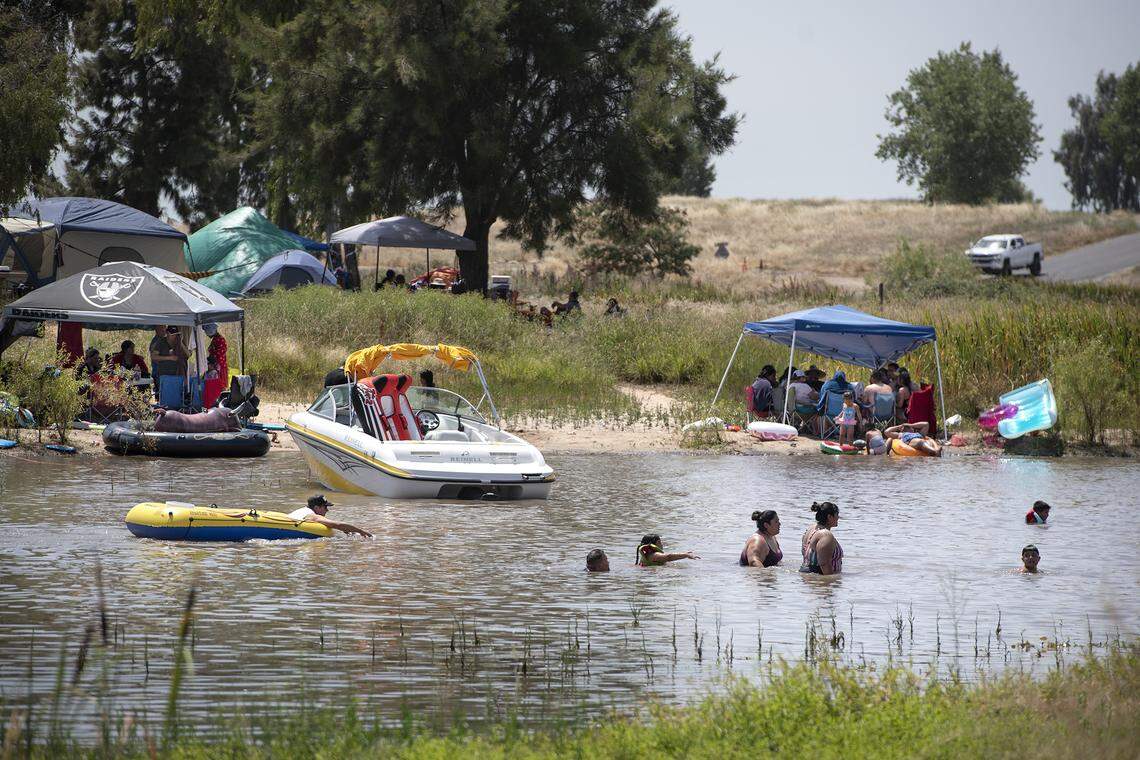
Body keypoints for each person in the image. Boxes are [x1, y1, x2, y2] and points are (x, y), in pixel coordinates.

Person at [287, 495, 373, 538]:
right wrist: (361, 531)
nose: (327, 510)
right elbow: (337, 525)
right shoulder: (312, 515)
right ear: (316, 507)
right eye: (325, 507)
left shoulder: (300, 510)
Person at [800, 501, 843, 575]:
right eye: (837, 514)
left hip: (808, 578)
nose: (838, 517)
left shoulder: (811, 529)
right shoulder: (826, 535)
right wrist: (831, 583)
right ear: (829, 517)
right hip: (818, 580)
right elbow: (824, 564)